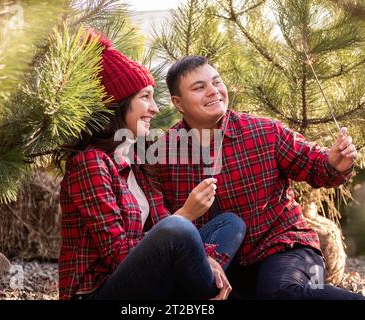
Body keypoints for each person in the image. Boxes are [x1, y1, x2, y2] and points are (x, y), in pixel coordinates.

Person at [156, 55, 365, 300]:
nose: (213, 91)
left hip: (286, 248)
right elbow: (163, 220)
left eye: (216, 82)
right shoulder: (164, 153)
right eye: (199, 87)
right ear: (178, 103)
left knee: (280, 291)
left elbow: (315, 165)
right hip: (220, 260)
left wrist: (334, 163)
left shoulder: (263, 131)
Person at [57, 34, 246, 300]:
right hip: (99, 292)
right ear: (118, 104)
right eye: (146, 97)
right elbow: (117, 255)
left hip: (149, 283)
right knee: (178, 228)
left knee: (229, 223)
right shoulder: (90, 163)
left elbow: (160, 224)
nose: (155, 109)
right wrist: (185, 214)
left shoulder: (137, 160)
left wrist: (205, 259)